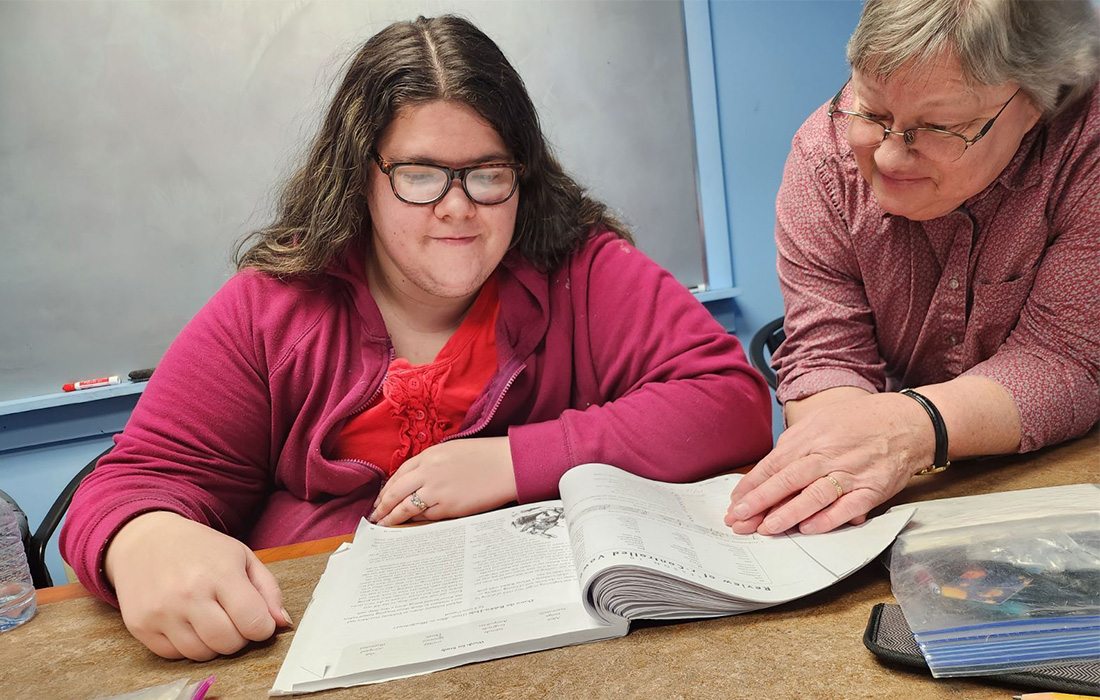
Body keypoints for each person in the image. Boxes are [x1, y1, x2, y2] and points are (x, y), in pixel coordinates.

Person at [60, 15, 772, 661]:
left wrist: (512, 462)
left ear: (522, 173)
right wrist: (144, 540)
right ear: (359, 175)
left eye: (488, 174)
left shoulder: (579, 267)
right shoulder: (270, 307)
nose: (458, 209)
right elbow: (132, 484)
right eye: (420, 175)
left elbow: (729, 404)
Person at [727, 0, 1099, 538]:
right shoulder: (822, 157)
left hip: (1067, 477)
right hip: (914, 486)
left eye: (940, 126)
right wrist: (837, 469)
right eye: (873, 115)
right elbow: (826, 353)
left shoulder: (1084, 150)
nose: (889, 160)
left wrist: (905, 429)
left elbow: (1066, 360)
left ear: (1036, 102)